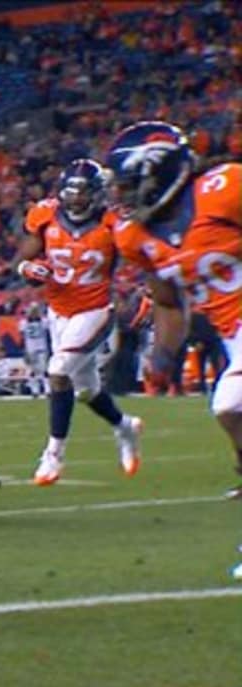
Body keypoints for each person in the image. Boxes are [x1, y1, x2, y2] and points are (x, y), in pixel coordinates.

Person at [103, 121, 241, 503]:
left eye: (128, 186)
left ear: (157, 173)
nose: (122, 197)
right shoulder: (135, 237)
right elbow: (167, 302)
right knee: (229, 406)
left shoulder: (224, 188)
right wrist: (162, 355)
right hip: (233, 334)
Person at [14, 157, 143, 486]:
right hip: (58, 312)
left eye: (82, 192)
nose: (75, 198)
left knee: (57, 373)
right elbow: (25, 257)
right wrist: (28, 270)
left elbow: (143, 257)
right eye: (70, 191)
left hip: (94, 311)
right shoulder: (44, 215)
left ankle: (53, 455)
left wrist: (146, 294)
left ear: (97, 194)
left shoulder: (114, 223)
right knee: (86, 391)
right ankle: (124, 426)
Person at [20, 302, 50, 397]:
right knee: (32, 370)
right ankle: (35, 390)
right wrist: (24, 350)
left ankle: (47, 389)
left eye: (35, 310)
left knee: (44, 369)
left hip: (40, 347)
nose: (34, 312)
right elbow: (22, 338)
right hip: (31, 348)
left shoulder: (44, 321)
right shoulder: (24, 323)